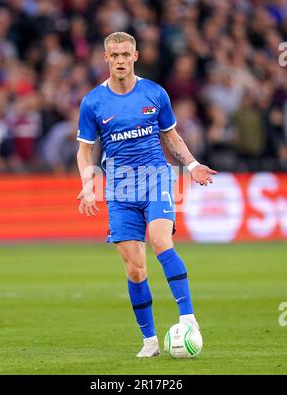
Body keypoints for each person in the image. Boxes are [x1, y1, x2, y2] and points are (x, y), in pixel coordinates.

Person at [76, 32, 217, 357]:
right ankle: (150, 341)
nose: (121, 60)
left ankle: (188, 318)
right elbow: (85, 151)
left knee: (160, 240)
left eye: (126, 54)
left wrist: (193, 165)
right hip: (120, 189)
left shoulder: (155, 93)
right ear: (106, 58)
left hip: (156, 179)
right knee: (135, 269)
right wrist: (87, 183)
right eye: (115, 55)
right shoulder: (93, 102)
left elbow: (171, 137)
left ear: (136, 56)